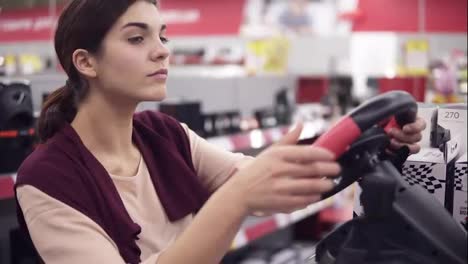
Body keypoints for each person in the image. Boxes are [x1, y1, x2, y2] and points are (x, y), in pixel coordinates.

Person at [14, 1, 426, 263]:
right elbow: (245, 189)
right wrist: (238, 198)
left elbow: (266, 184)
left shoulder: (163, 134)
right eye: (137, 38)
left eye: (162, 36)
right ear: (86, 62)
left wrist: (372, 140)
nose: (162, 50)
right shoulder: (48, 178)